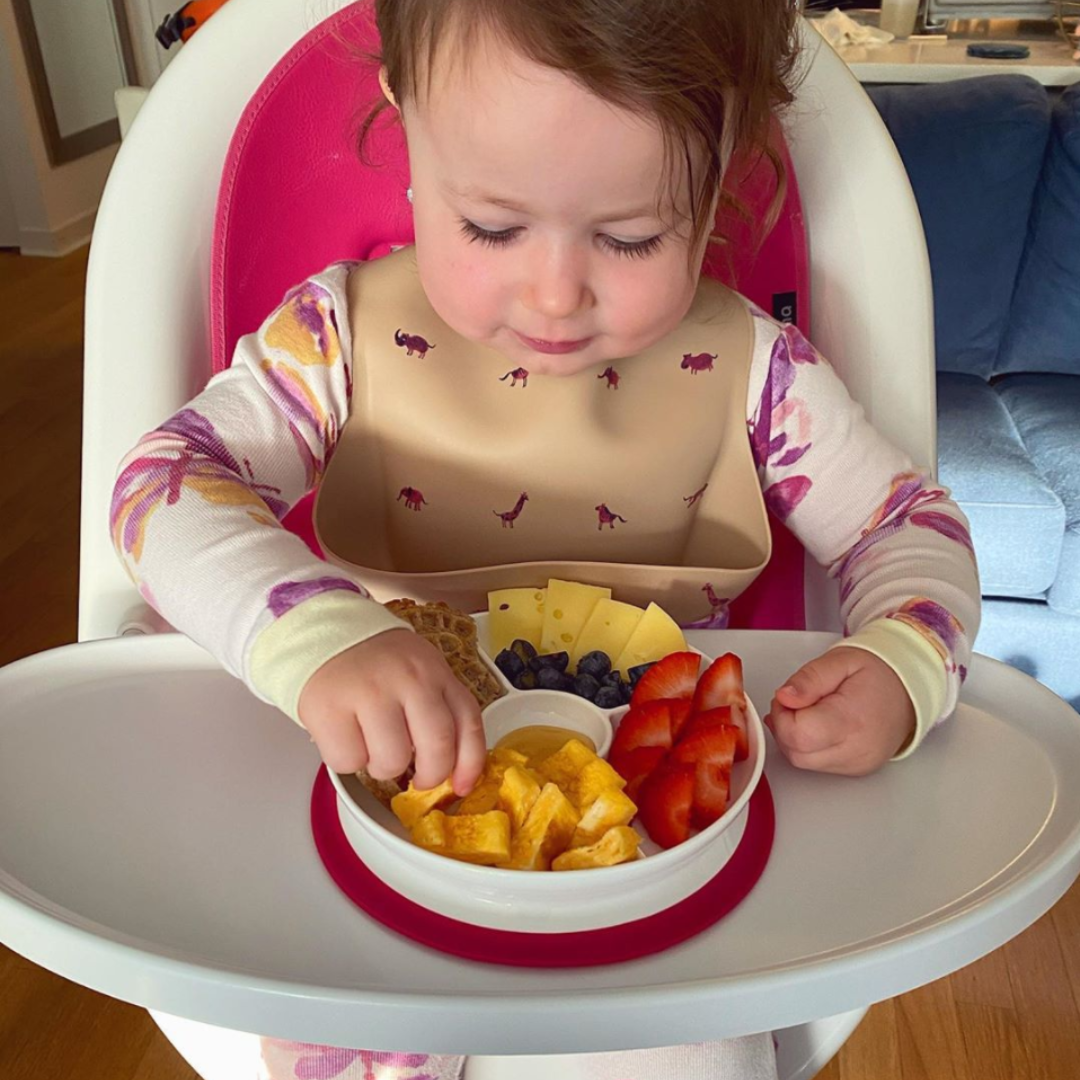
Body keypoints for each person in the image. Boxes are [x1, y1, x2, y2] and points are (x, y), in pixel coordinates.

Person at [111, 1, 980, 1076]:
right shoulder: (336, 340)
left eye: (630, 236)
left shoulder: (761, 376)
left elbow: (908, 524)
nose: (557, 295)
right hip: (387, 817)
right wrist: (311, 640)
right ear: (411, 132)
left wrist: (902, 661)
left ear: (719, 182)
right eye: (491, 227)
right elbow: (160, 486)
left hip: (655, 849)